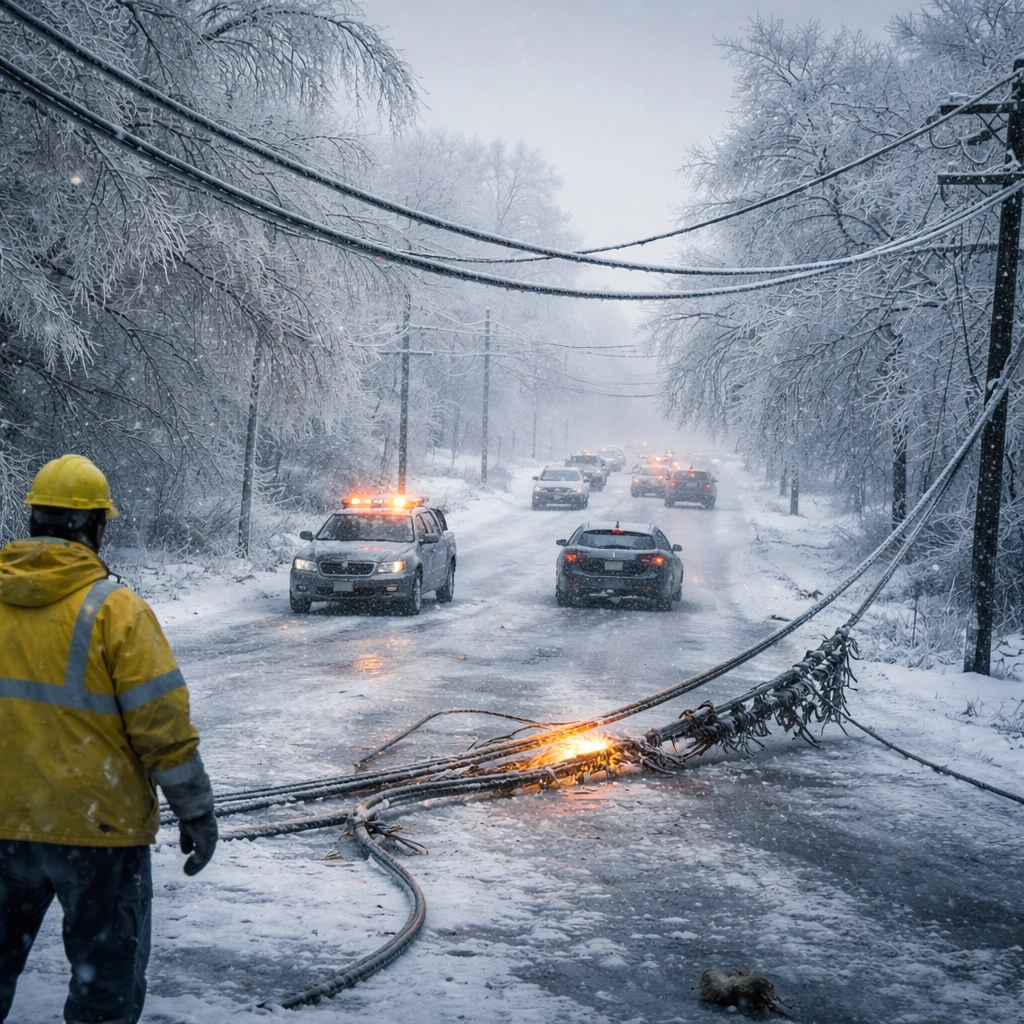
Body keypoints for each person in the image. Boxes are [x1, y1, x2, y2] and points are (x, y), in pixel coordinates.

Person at [0, 454, 217, 1024]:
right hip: (97, 835)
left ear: (32, 523)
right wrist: (195, 812)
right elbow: (163, 730)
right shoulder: (116, 611)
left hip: (2, 828)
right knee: (105, 990)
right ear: (97, 528)